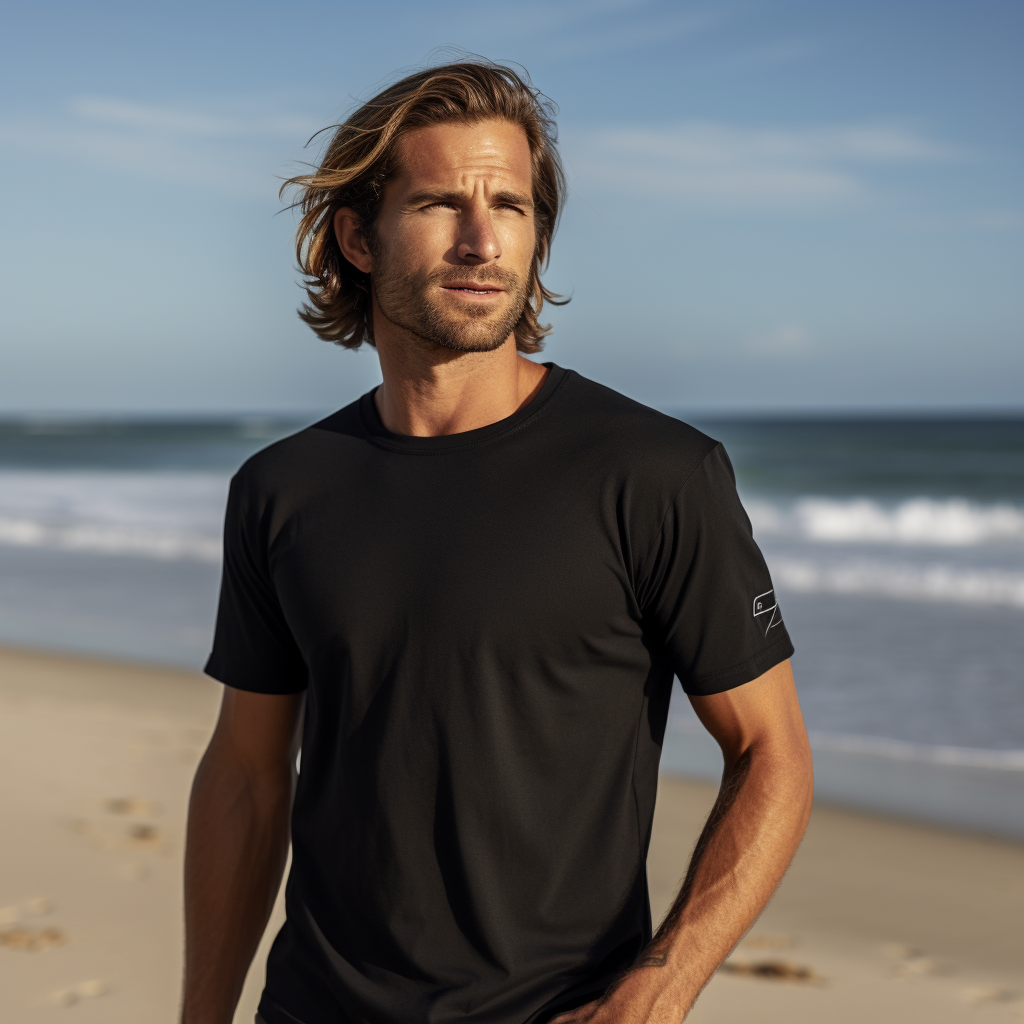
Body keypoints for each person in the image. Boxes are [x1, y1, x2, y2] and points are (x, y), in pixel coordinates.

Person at [181, 60, 813, 1024]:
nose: (483, 241)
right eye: (440, 203)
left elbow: (772, 752)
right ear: (357, 235)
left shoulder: (655, 474)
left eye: (511, 207)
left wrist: (657, 992)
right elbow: (246, 774)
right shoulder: (282, 490)